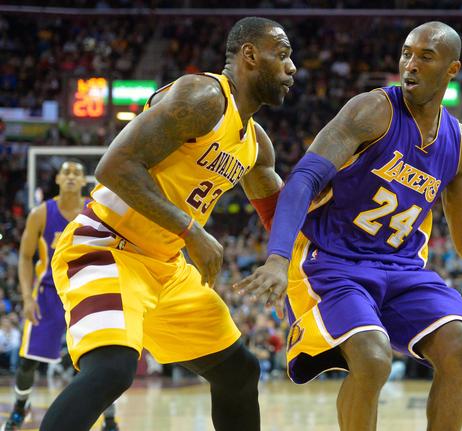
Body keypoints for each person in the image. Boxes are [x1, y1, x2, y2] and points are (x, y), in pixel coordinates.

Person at [235, 21, 462, 431]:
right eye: (406, 54)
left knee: (460, 343)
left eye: (425, 57)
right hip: (332, 262)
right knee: (373, 356)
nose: (410, 65)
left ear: (452, 69)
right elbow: (303, 179)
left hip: (401, 270)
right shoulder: (373, 109)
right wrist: (276, 257)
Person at [39, 16, 296, 431]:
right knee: (112, 369)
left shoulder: (255, 144)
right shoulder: (203, 95)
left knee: (239, 373)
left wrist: (300, 261)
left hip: (166, 267)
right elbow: (114, 166)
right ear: (249, 55)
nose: (292, 67)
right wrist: (191, 231)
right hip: (107, 247)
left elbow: (279, 215)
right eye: (282, 54)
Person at [2, 160, 120, 431]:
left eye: (76, 173)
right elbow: (24, 257)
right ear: (57, 179)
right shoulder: (41, 213)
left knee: (100, 358)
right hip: (47, 294)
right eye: (65, 172)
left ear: (83, 181)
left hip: (87, 293)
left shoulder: (96, 211)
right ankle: (21, 408)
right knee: (27, 362)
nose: (70, 176)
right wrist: (27, 297)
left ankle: (110, 418)